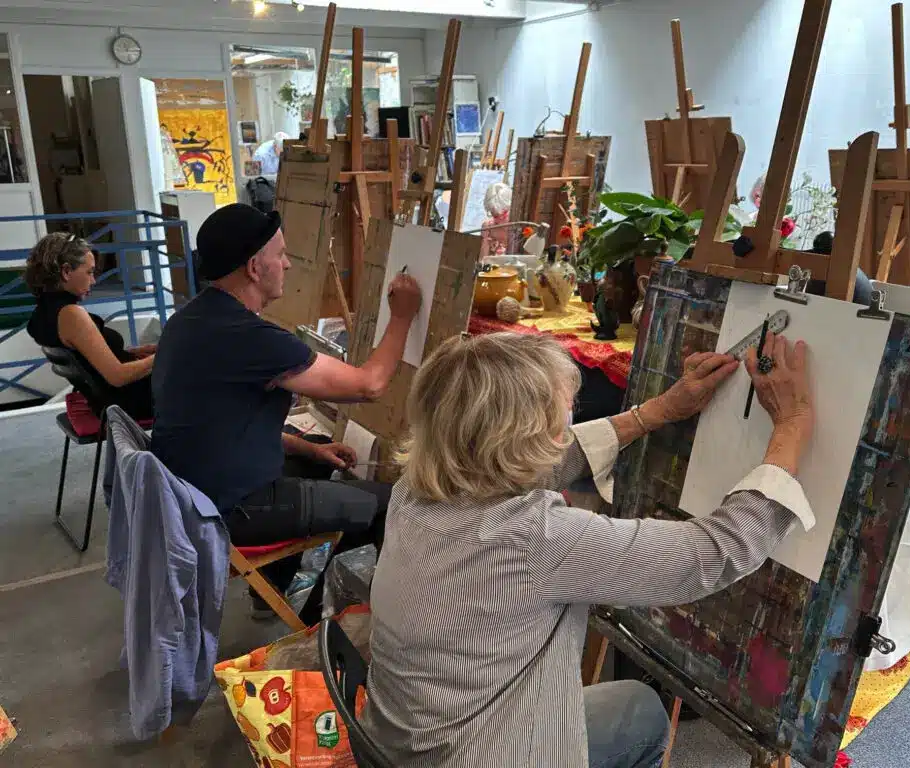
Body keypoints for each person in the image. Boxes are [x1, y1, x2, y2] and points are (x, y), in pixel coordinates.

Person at [362, 331, 815, 768]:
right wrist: (792, 425)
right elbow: (711, 554)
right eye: (561, 420)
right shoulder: (535, 539)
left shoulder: (415, 489)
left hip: (404, 743)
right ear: (524, 438)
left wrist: (657, 411)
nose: (565, 429)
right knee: (641, 716)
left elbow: (534, 463)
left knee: (636, 706)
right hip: (479, 752)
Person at [150, 203, 422, 623]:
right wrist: (402, 316)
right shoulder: (250, 338)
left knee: (315, 452)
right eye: (280, 255)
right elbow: (369, 385)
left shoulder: (192, 319)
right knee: (392, 504)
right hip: (229, 507)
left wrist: (310, 450)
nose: (288, 264)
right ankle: (315, 623)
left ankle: (271, 592)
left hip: (192, 491)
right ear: (254, 267)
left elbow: (216, 422)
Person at [25, 232, 155, 420]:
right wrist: (163, 355)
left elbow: (88, 360)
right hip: (131, 402)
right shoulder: (70, 314)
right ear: (66, 271)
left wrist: (137, 353)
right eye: (89, 272)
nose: (93, 281)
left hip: (109, 400)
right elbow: (118, 377)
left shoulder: (42, 314)